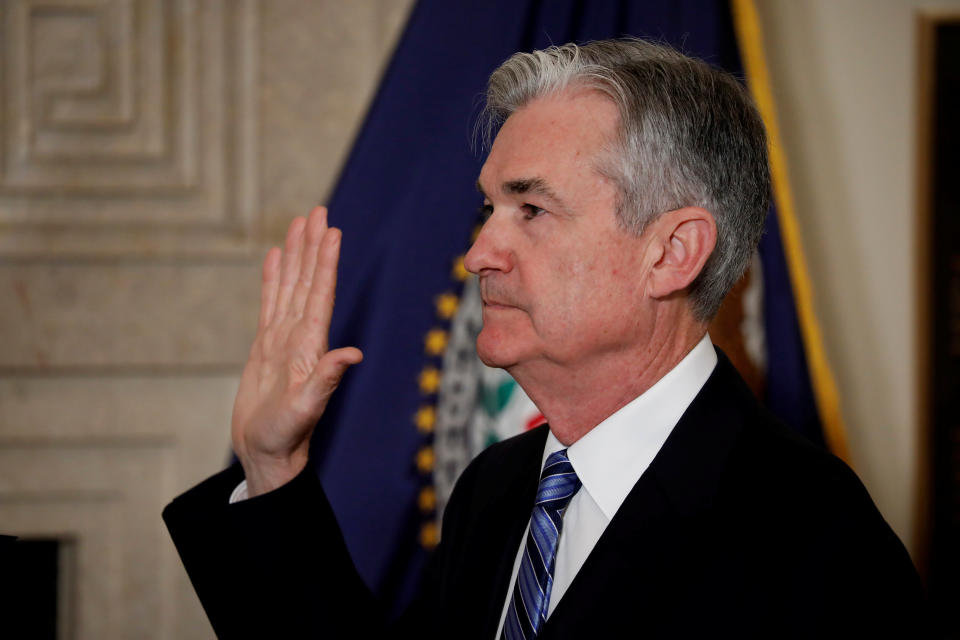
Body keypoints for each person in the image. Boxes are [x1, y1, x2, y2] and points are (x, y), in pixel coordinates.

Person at [163, 39, 926, 638]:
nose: (479, 253)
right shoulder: (494, 491)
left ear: (672, 252)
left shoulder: (814, 538)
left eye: (530, 209)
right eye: (490, 207)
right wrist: (270, 466)